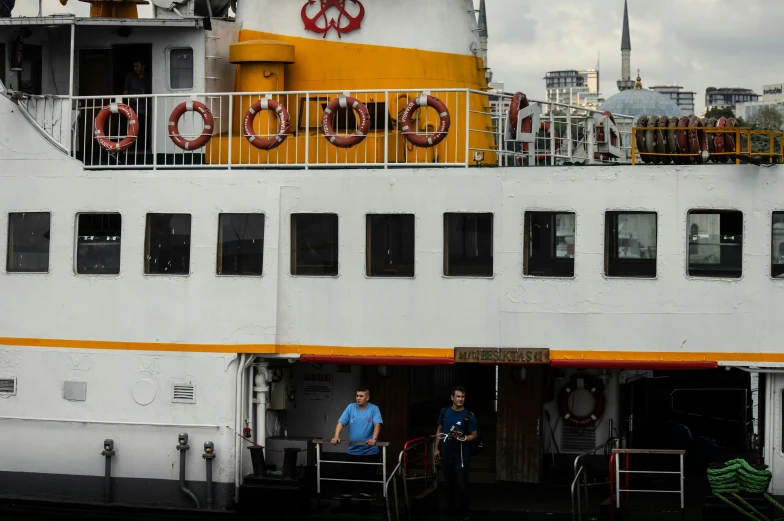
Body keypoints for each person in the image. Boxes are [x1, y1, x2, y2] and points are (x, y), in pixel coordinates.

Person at [435, 386, 478, 521]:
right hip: (446, 453)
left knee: (462, 484)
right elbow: (439, 429)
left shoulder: (468, 416)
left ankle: (463, 513)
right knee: (448, 483)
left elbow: (474, 435)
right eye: (458, 396)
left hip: (461, 454)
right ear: (452, 397)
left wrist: (464, 438)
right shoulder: (444, 412)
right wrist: (436, 449)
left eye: (463, 397)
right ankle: (451, 511)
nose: (460, 399)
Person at [331, 387, 383, 498]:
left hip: (370, 453)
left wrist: (374, 438)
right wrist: (336, 437)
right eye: (357, 396)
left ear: (367, 398)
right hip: (353, 451)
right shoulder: (351, 407)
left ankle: (365, 508)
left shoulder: (374, 409)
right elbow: (340, 423)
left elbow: (377, 424)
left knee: (367, 482)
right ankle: (345, 505)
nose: (358, 398)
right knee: (346, 479)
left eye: (361, 396)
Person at [123, 60, 151, 153]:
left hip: (146, 109)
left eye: (137, 66)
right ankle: (132, 149)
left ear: (144, 66)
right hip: (133, 109)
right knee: (133, 129)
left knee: (144, 129)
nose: (135, 69)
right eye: (134, 67)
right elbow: (125, 92)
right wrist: (130, 98)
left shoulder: (149, 77)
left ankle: (143, 148)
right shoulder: (130, 77)